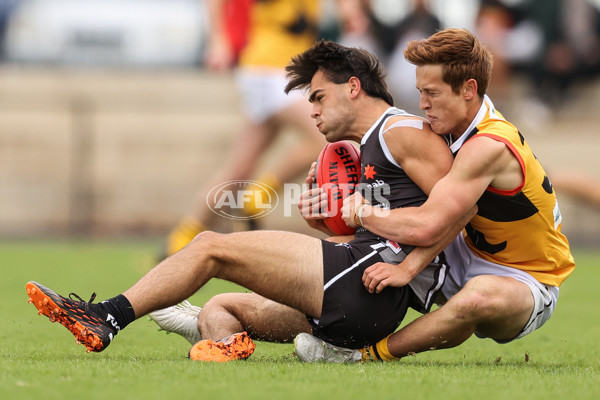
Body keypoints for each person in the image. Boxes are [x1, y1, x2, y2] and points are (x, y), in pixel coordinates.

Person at [25, 40, 472, 362]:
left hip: (370, 290)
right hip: (358, 302)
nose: (312, 111)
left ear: (353, 87)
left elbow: (461, 208)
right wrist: (327, 222)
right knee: (221, 308)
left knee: (209, 246)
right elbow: (386, 221)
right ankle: (228, 350)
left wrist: (409, 267)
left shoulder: (400, 131)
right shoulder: (368, 146)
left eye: (318, 97)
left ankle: (105, 317)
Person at [292, 28, 576, 363]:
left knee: (475, 300)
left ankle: (363, 356)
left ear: (469, 89)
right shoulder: (452, 127)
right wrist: (330, 224)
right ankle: (293, 323)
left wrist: (369, 222)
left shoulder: (488, 146)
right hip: (461, 250)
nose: (423, 103)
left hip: (527, 277)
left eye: (432, 93)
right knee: (342, 251)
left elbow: (435, 222)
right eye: (420, 92)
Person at [163, 0, 326, 256]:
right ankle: (258, 195)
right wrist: (219, 39)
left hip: (277, 69)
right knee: (325, 138)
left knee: (239, 169)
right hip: (271, 71)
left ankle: (180, 240)